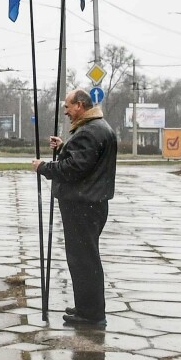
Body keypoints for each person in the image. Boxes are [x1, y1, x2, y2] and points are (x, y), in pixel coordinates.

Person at [31, 89, 119, 328]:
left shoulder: (89, 131)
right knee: (84, 258)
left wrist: (44, 167)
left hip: (82, 205)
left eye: (68, 106)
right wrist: (63, 148)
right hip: (92, 203)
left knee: (83, 261)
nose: (66, 111)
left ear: (80, 105)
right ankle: (86, 306)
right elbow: (87, 161)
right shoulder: (99, 128)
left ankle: (91, 315)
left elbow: (73, 169)